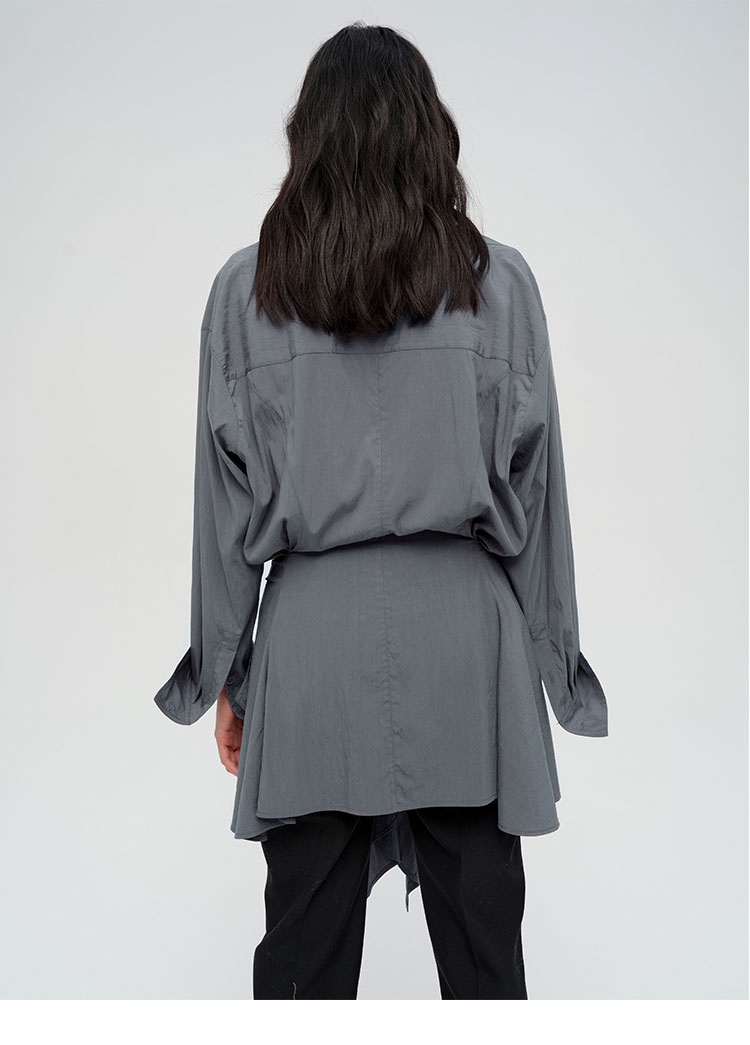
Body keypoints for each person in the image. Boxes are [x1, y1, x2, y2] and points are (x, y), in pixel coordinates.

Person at [152, 21, 609, 1000]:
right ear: (429, 133)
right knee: (487, 969)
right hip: (468, 658)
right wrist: (556, 668)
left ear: (307, 139)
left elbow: (221, 514)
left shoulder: (245, 293)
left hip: (311, 657)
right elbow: (540, 500)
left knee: (302, 970)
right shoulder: (502, 286)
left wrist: (226, 674)